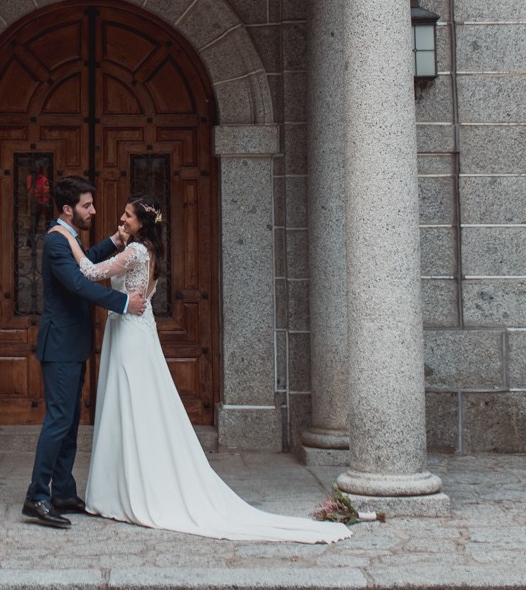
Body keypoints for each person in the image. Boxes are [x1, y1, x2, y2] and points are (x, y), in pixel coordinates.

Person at [57, 195, 353, 544]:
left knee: (129, 407)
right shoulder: (147, 251)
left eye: (127, 215)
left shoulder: (135, 252)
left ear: (141, 223)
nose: (121, 219)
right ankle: (123, 487)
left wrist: (70, 242)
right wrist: (115, 241)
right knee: (135, 408)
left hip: (128, 337)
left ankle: (126, 491)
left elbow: (90, 273)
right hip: (137, 332)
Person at [22, 175, 147, 530]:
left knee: (70, 421)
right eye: (86, 206)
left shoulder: (69, 239)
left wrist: (113, 241)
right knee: (59, 420)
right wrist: (123, 301)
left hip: (73, 344)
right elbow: (79, 283)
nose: (93, 210)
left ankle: (62, 491)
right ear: (67, 209)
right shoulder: (57, 241)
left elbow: (87, 263)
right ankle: (36, 496)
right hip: (59, 344)